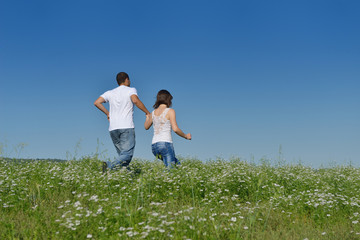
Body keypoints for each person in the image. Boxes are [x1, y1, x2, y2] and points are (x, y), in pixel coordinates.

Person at [94, 72, 150, 171]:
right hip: (126, 126)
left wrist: (107, 113)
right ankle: (108, 166)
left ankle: (129, 178)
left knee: (122, 157)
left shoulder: (109, 92)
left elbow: (97, 102)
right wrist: (147, 112)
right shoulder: (131, 90)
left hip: (113, 129)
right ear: (127, 79)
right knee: (127, 155)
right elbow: (135, 100)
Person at [144, 90, 191, 168]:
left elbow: (146, 127)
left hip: (154, 146)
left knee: (177, 165)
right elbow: (175, 129)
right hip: (165, 144)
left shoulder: (153, 113)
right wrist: (186, 136)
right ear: (168, 99)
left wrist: (147, 118)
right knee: (170, 170)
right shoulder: (170, 111)